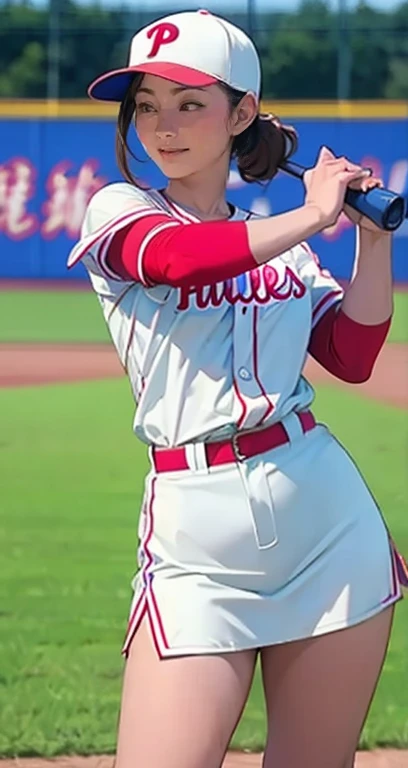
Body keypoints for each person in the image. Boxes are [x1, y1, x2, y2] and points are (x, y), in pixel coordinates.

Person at [67, 10, 407, 768]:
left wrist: (369, 242)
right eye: (147, 104)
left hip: (325, 525)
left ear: (242, 112)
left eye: (190, 103)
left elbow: (350, 355)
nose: (164, 124)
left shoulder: (277, 243)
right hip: (196, 538)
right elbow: (180, 260)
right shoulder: (121, 211)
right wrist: (312, 213)